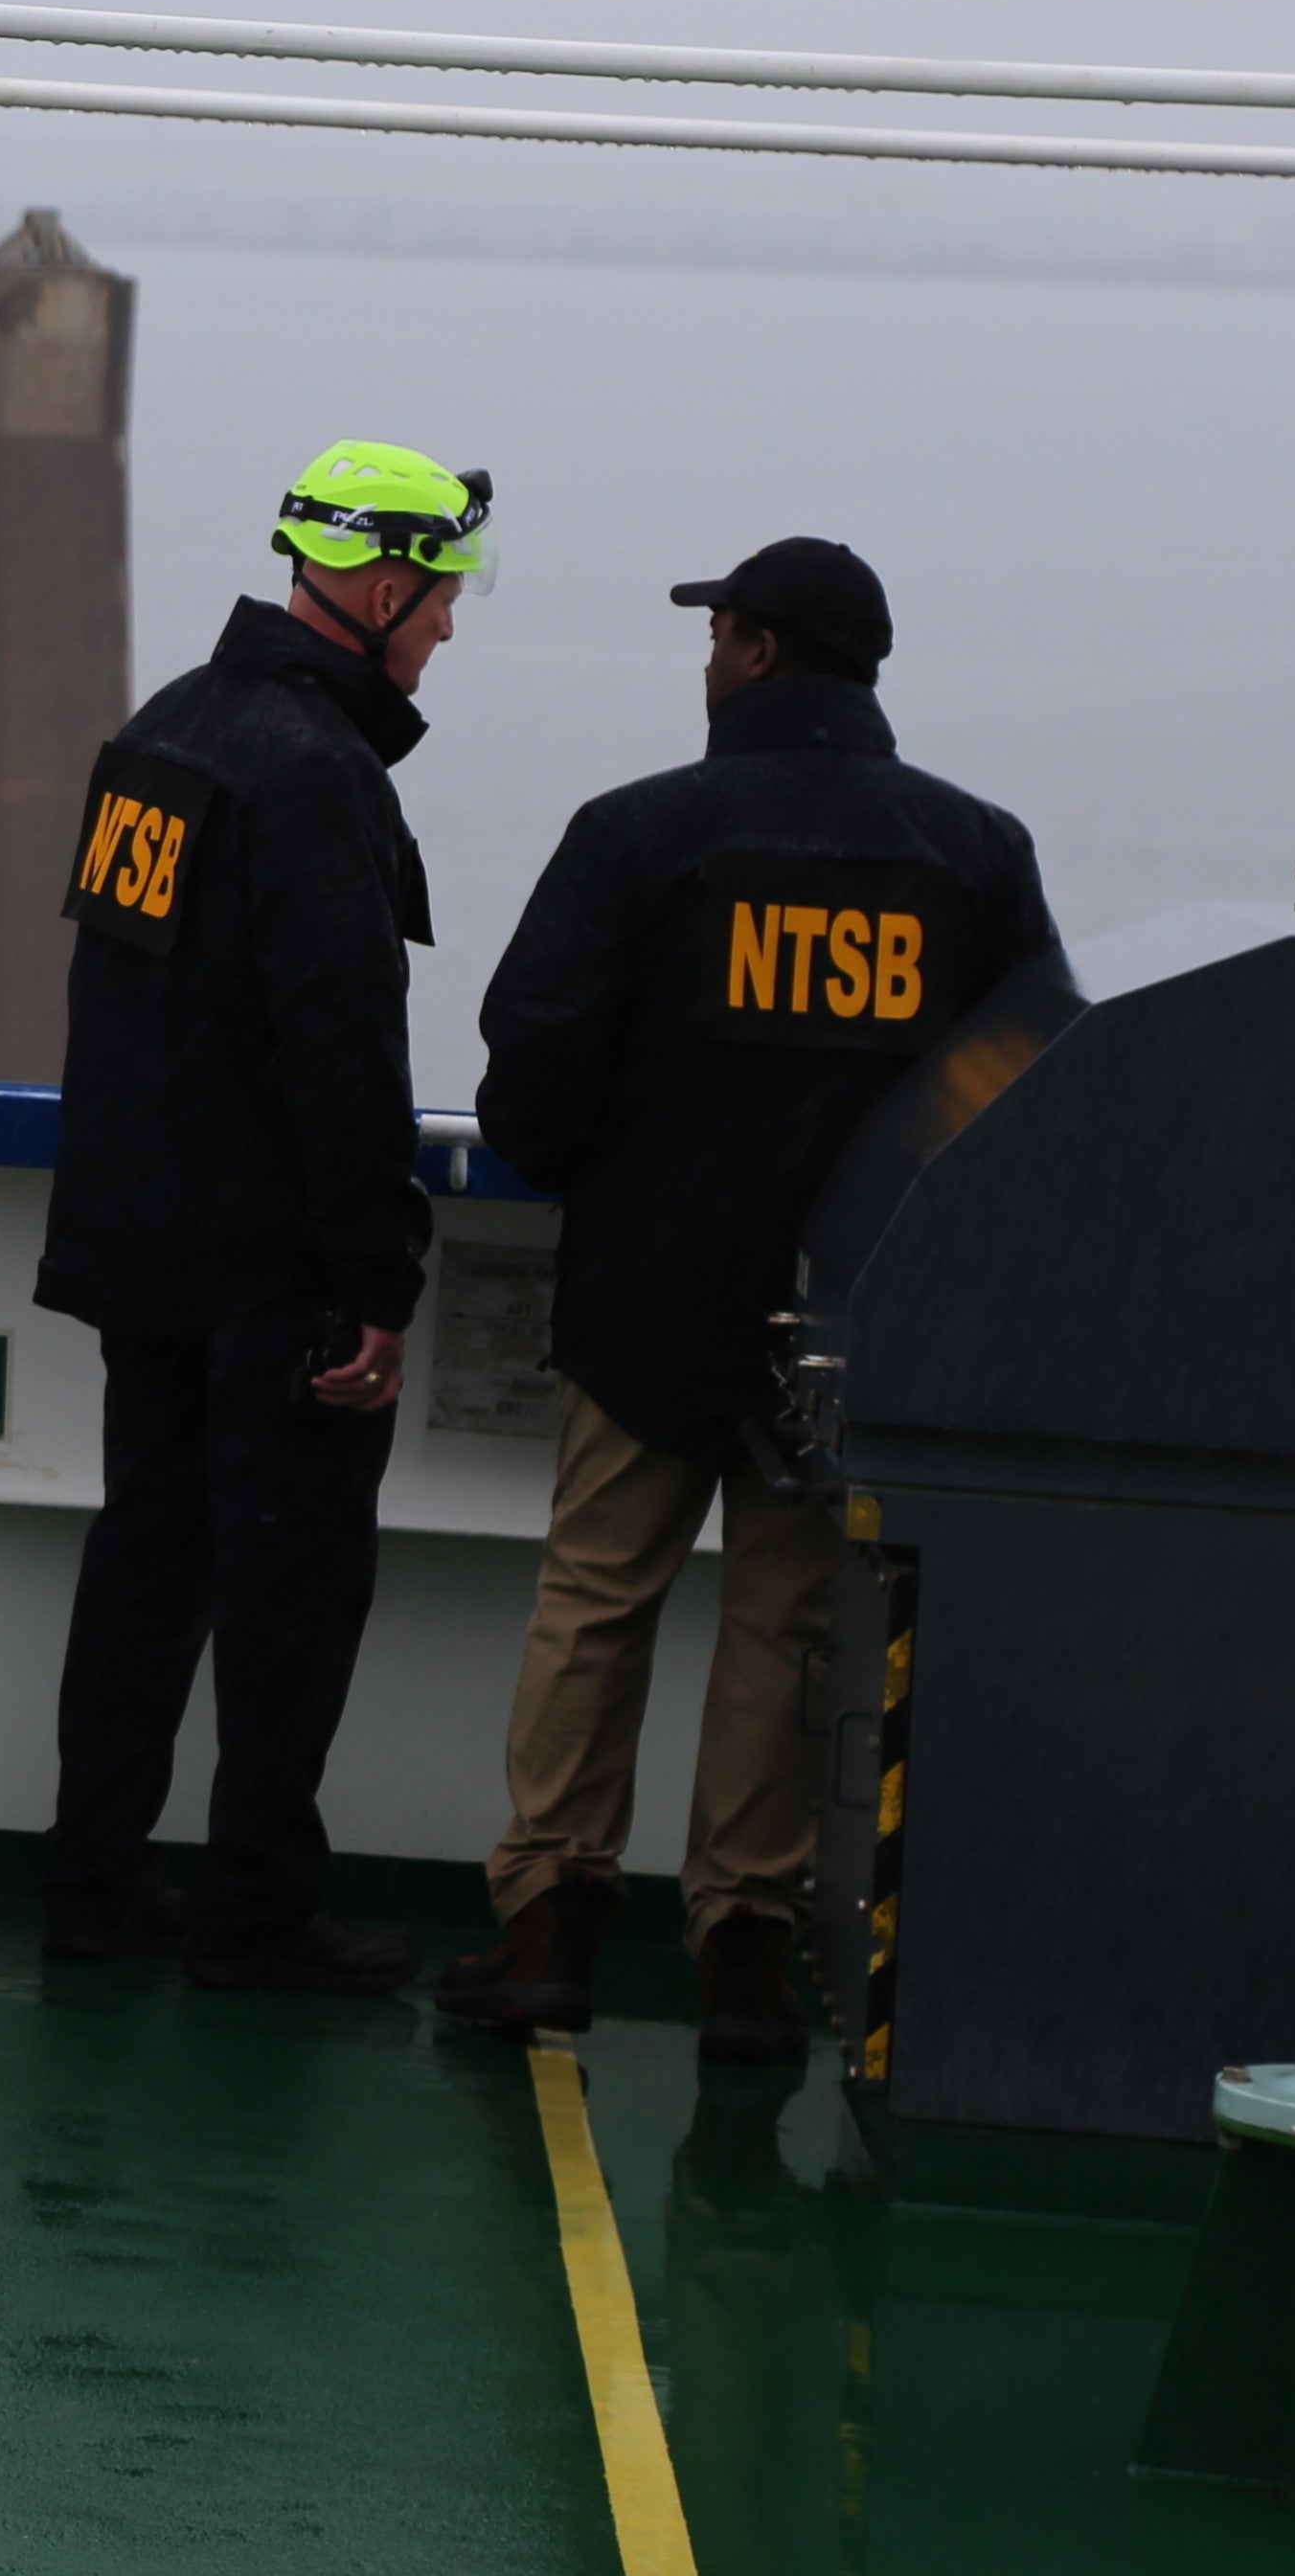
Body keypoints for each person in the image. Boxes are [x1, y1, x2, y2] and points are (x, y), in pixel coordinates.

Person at [449, 537, 1056, 2060]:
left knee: (596, 1602)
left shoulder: (643, 834)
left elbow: (534, 1058)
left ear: (764, 654)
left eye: (718, 636)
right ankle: (743, 1949)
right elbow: (1032, 1080)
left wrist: (613, 1171)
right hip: (850, 1321)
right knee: (790, 1633)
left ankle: (546, 1925)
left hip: (648, 1298)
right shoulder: (974, 854)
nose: (707, 661)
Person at [31, 441, 486, 1993]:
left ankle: (93, 1886)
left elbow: (122, 1006)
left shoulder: (165, 732)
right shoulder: (315, 774)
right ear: (373, 582)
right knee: (289, 1597)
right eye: (438, 598)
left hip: (140, 1245)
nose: (444, 632)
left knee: (144, 1571)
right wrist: (376, 1278)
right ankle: (255, 1919)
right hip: (266, 1269)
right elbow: (341, 1048)